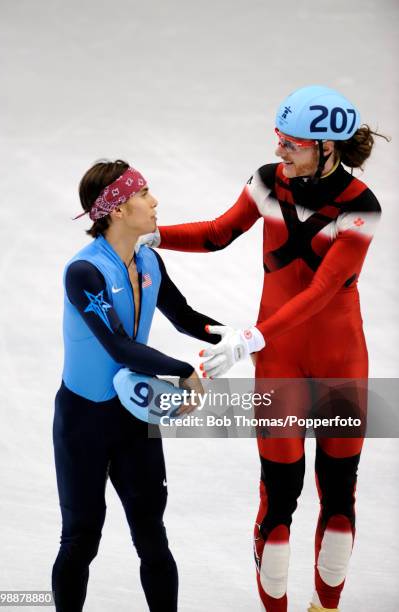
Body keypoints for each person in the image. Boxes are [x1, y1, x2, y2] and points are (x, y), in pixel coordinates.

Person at [139, 86, 387, 611]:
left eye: (291, 143)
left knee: (338, 503)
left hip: (323, 358)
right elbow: (215, 233)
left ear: (326, 146)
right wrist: (155, 235)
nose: (279, 151)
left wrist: (252, 336)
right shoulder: (268, 181)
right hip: (284, 357)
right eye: (278, 139)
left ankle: (327, 606)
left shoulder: (363, 207)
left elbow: (324, 292)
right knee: (279, 502)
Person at [52, 159, 222, 612]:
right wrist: (183, 370)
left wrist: (241, 339)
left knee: (152, 536)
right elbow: (120, 348)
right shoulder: (84, 272)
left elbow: (185, 318)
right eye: (144, 194)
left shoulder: (148, 258)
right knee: (81, 539)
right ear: (117, 210)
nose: (155, 201)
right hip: (83, 421)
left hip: (131, 418)